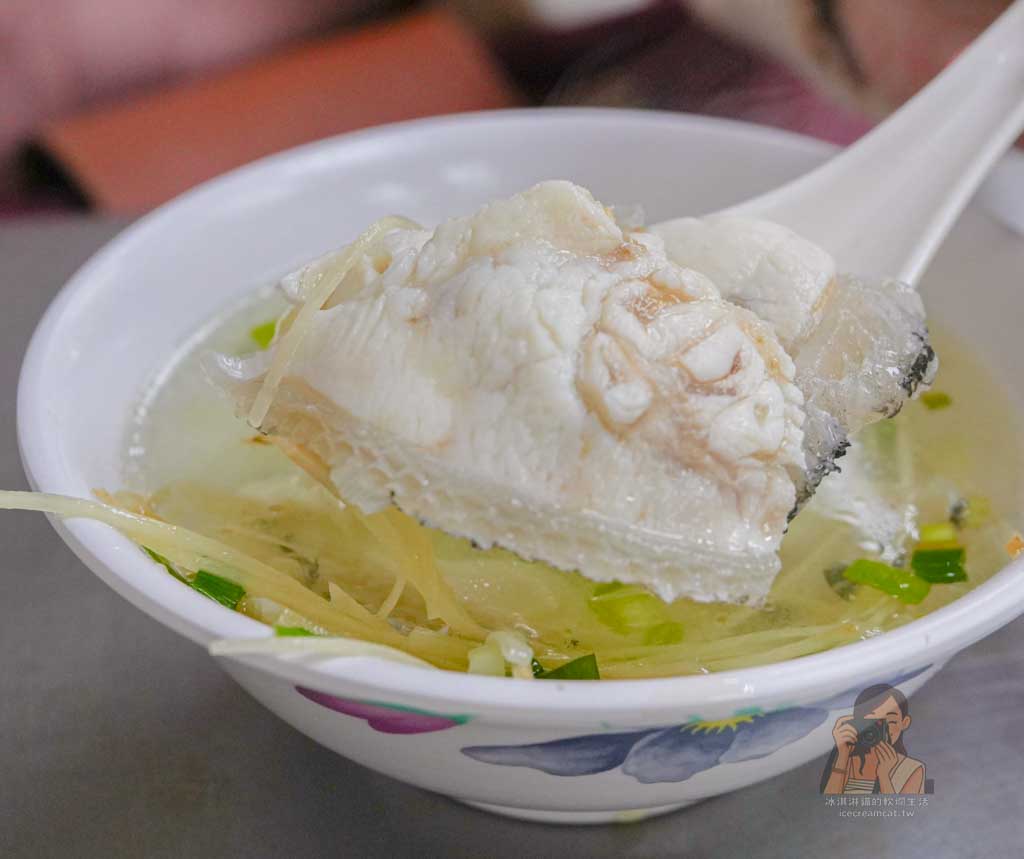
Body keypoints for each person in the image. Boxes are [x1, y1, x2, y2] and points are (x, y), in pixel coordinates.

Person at [820, 684, 926, 795]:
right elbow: (828, 800)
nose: (882, 729)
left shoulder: (912, 769)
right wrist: (842, 754)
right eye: (873, 723)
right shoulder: (847, 761)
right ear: (858, 723)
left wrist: (884, 775)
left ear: (904, 722)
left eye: (891, 721)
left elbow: (901, 806)